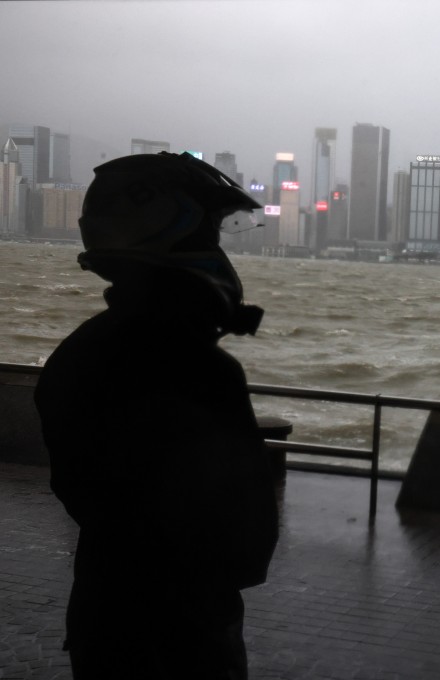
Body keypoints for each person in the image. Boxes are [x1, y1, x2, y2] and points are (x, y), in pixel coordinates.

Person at [34, 152, 279, 678]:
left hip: (106, 608)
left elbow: (82, 491)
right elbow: (240, 524)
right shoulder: (199, 368)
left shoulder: (79, 353)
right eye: (207, 234)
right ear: (171, 233)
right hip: (183, 629)